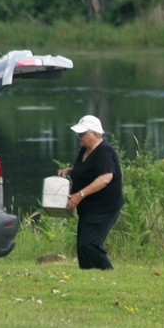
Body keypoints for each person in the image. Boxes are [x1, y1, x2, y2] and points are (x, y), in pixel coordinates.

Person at [58, 115, 124, 270]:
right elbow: (89, 169)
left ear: (95, 134)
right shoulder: (85, 150)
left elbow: (105, 177)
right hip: (88, 207)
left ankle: (109, 272)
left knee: (90, 244)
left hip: (104, 207)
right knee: (82, 246)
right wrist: (70, 171)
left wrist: (79, 195)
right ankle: (88, 275)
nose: (79, 138)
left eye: (83, 134)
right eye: (78, 134)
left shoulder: (104, 152)